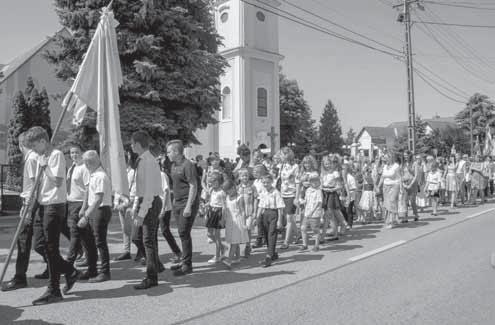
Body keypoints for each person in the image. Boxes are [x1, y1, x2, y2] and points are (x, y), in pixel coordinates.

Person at [26, 126, 79, 305]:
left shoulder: (55, 155)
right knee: (39, 245)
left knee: (51, 248)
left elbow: (57, 181)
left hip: (54, 206)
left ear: (42, 141)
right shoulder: (42, 156)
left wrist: (45, 166)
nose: (33, 150)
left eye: (34, 145)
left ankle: (54, 289)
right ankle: (69, 270)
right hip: (42, 205)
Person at [1, 132, 47, 292]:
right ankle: (55, 266)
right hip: (33, 202)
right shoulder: (33, 158)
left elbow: (34, 185)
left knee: (23, 240)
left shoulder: (31, 159)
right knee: (34, 240)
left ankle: (20, 277)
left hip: (31, 203)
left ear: (21, 145)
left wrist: (27, 206)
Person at [130, 131, 163, 289]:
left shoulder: (147, 161)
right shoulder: (142, 160)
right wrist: (136, 204)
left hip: (150, 202)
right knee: (136, 237)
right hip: (144, 201)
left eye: (131, 144)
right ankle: (156, 264)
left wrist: (142, 213)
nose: (130, 146)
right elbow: (141, 188)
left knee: (147, 240)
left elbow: (149, 191)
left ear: (137, 144)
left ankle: (151, 278)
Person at [77, 150, 112, 283]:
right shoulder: (94, 174)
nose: (86, 164)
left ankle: (105, 272)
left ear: (94, 161)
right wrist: (84, 208)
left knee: (100, 242)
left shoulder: (100, 176)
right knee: (91, 241)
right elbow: (89, 194)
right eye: (86, 161)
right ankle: (92, 269)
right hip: (95, 210)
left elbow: (98, 199)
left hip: (101, 210)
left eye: (88, 161)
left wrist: (86, 215)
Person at [167, 139, 199, 276]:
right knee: (181, 232)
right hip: (177, 202)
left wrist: (188, 206)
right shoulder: (173, 165)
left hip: (187, 202)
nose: (167, 154)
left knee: (183, 232)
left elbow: (193, 186)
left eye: (169, 151)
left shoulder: (188, 165)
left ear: (176, 152)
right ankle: (184, 260)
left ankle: (187, 265)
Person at [65, 144, 90, 269]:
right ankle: (88, 256)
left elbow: (87, 189)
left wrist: (84, 207)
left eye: (76, 152)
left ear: (82, 153)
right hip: (70, 203)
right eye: (71, 153)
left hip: (79, 203)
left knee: (74, 233)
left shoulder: (84, 168)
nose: (74, 155)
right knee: (82, 234)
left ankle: (69, 262)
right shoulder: (72, 167)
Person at [256, 173, 285, 267]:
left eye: (267, 182)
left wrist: (280, 221)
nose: (265, 184)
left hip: (273, 213)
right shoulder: (263, 192)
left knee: (272, 234)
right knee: (267, 235)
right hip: (265, 214)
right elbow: (261, 205)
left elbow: (280, 208)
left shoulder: (276, 192)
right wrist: (257, 217)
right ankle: (273, 253)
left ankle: (268, 257)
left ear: (272, 182)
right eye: (263, 182)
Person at [158, 158, 182, 264]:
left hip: (164, 208)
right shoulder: (152, 176)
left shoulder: (162, 175)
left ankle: (177, 252)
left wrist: (163, 208)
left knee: (164, 231)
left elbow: (166, 191)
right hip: (155, 207)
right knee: (153, 232)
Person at [222, 179, 249, 267]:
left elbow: (243, 211)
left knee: (234, 242)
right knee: (234, 241)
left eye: (229, 190)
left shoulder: (239, 198)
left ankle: (229, 260)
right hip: (230, 221)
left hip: (237, 221)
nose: (228, 192)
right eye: (226, 191)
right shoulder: (227, 197)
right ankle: (237, 258)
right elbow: (226, 209)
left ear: (233, 188)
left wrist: (244, 223)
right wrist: (224, 218)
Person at [204, 171, 226, 264]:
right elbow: (211, 201)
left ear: (218, 181)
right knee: (209, 234)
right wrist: (207, 205)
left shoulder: (222, 192)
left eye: (213, 182)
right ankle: (222, 247)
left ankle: (217, 256)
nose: (211, 184)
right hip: (211, 212)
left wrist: (222, 218)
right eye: (210, 182)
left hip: (219, 213)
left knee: (217, 236)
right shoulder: (212, 190)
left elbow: (224, 206)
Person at [299, 172, 323, 252]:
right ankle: (304, 244)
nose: (315, 182)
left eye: (316, 181)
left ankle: (317, 245)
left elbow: (319, 202)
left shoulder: (318, 191)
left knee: (315, 229)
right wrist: (302, 201)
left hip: (315, 213)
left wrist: (312, 211)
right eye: (312, 181)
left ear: (319, 182)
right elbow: (306, 200)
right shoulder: (308, 190)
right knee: (303, 228)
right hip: (307, 212)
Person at [237, 168, 258, 257]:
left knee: (248, 228)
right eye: (242, 176)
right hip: (241, 212)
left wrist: (255, 212)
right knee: (242, 229)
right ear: (239, 177)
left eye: (246, 175)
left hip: (249, 211)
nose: (244, 177)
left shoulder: (252, 187)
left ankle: (247, 247)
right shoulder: (237, 188)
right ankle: (241, 248)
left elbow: (256, 199)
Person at [378, 152, 401, 229]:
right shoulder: (385, 166)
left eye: (386, 158)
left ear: (391, 158)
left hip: (394, 185)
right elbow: (382, 177)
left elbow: (399, 177)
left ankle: (392, 221)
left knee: (392, 201)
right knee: (387, 204)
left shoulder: (396, 166)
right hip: (385, 186)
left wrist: (401, 188)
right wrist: (378, 186)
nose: (385, 159)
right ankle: (388, 221)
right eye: (384, 158)